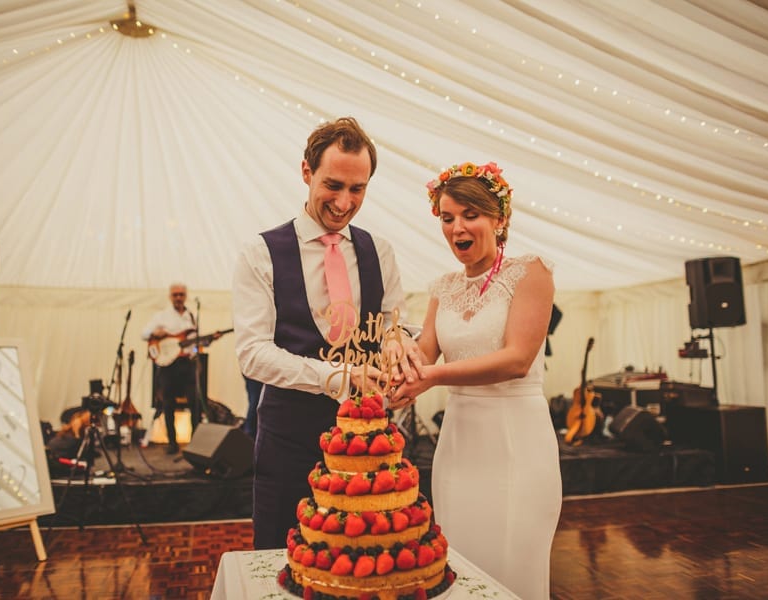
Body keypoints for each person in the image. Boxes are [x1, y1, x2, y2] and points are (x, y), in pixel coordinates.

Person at [232, 116, 419, 550]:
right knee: (281, 561)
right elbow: (253, 354)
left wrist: (405, 349)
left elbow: (396, 326)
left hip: (371, 445)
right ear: (306, 172)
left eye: (358, 189)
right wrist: (339, 377)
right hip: (288, 442)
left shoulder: (380, 252)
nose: (344, 201)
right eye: (333, 185)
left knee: (365, 562)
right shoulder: (261, 253)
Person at [390, 161, 562, 599]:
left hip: (516, 443)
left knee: (511, 566)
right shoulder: (442, 287)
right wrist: (394, 360)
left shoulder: (531, 272)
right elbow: (423, 354)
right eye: (447, 217)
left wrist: (430, 376)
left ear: (499, 219)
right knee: (459, 566)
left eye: (471, 215)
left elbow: (516, 360)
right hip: (459, 445)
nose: (457, 228)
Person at [141, 283, 204, 453]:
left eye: (181, 294)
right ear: (170, 296)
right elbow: (144, 334)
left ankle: (196, 443)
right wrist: (157, 333)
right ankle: (172, 443)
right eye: (175, 295)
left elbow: (194, 341)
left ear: (186, 296)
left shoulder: (191, 316)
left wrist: (199, 347)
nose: (178, 298)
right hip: (168, 365)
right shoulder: (161, 316)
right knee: (168, 403)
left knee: (194, 402)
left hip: (186, 363)